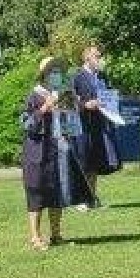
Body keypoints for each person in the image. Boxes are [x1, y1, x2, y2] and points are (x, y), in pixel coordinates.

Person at [21, 56, 90, 248]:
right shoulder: (33, 95)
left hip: (58, 151)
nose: (57, 75)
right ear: (44, 75)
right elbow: (26, 124)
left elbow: (71, 127)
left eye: (59, 71)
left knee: (57, 192)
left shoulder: (63, 94)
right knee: (36, 193)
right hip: (37, 153)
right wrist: (45, 108)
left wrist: (72, 108)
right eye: (53, 71)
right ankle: (35, 237)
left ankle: (56, 235)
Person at [72, 45, 121, 209]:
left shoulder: (102, 77)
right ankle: (80, 200)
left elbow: (107, 96)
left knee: (94, 163)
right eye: (97, 57)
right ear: (87, 58)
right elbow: (68, 100)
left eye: (100, 56)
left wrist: (112, 103)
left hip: (99, 125)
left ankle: (91, 197)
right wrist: (85, 104)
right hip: (82, 125)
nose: (100, 59)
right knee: (83, 162)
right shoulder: (77, 77)